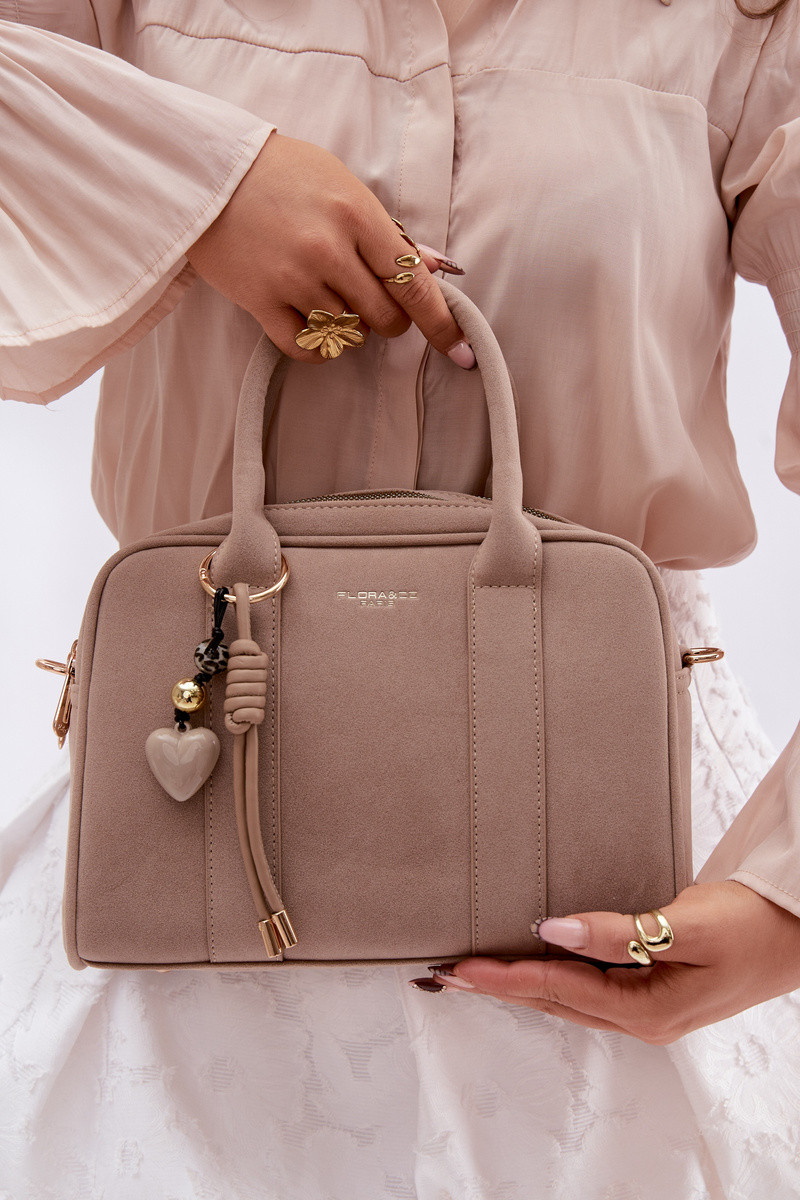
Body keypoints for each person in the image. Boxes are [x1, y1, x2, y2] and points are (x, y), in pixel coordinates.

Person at [2, 0, 800, 1195]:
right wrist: (202, 185)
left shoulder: (741, 24)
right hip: (198, 819)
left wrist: (786, 901)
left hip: (618, 872)